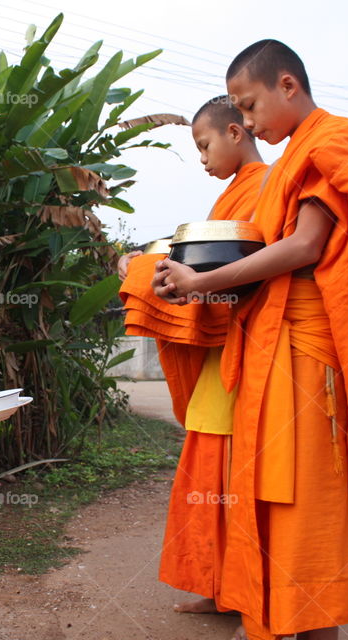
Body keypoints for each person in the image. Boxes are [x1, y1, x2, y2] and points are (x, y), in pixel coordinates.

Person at [154, 39, 348, 640]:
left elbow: (303, 247)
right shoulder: (297, 153)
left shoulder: (331, 140)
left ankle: (316, 620)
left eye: (249, 107)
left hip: (305, 346)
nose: (246, 122)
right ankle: (271, 604)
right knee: (266, 481)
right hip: (272, 341)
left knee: (304, 488)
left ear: (287, 87)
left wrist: (202, 282)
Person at [118, 96, 266, 624]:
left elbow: (239, 267)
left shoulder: (267, 188)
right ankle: (213, 583)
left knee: (230, 477)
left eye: (204, 145)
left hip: (245, 351)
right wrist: (147, 267)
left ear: (235, 131)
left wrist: (164, 272)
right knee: (205, 476)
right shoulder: (233, 196)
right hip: (218, 359)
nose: (201, 158)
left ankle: (240, 587)